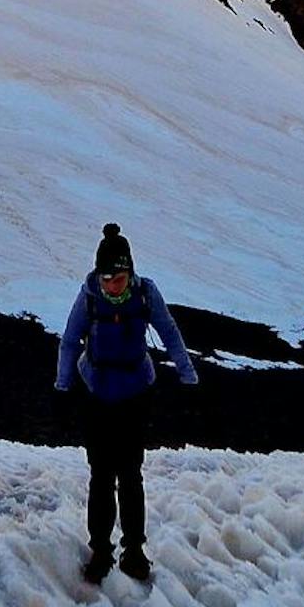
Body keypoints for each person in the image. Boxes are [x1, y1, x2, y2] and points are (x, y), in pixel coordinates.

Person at [55, 222, 197, 583]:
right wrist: (63, 381)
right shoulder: (88, 296)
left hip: (135, 392)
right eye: (105, 279)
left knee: (130, 473)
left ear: (129, 272)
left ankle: (134, 550)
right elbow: (71, 339)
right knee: (101, 475)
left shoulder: (146, 293)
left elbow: (169, 331)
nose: (111, 285)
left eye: (117, 278)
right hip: (97, 390)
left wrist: (186, 371)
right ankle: (101, 551)